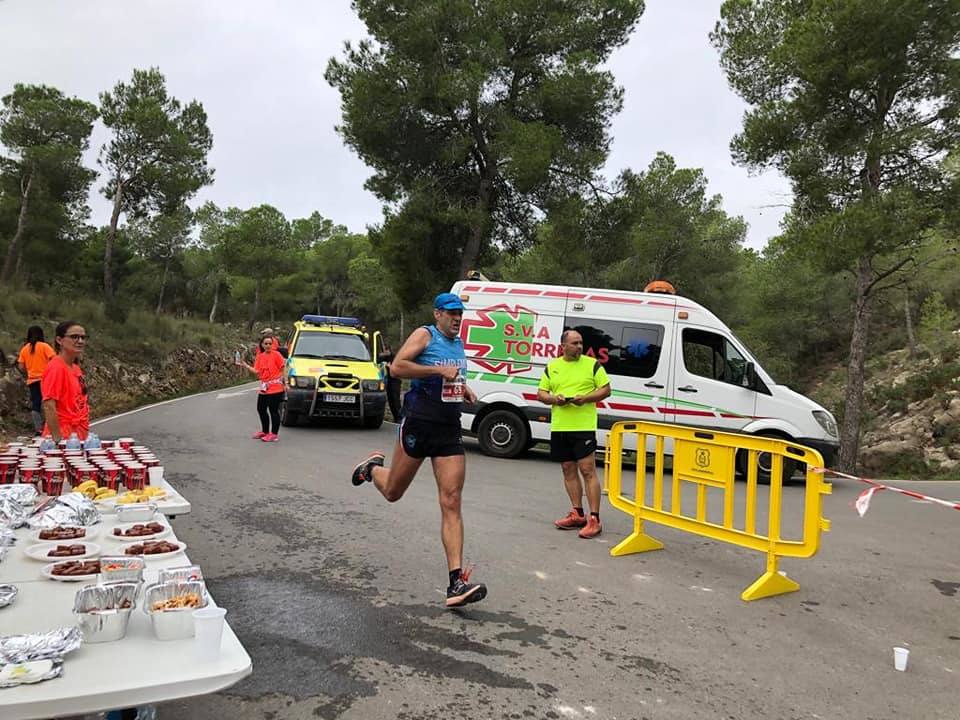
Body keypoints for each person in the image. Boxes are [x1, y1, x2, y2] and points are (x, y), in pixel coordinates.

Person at [350, 292, 487, 608]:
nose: (457, 319)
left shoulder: (457, 344)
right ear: (438, 314)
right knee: (394, 492)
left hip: (449, 428)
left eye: (460, 314)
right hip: (419, 423)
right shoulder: (426, 334)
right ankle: (372, 468)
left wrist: (461, 386)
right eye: (451, 313)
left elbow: (452, 374)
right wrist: (437, 372)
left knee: (451, 500)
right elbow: (398, 367)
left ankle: (456, 582)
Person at [537, 329, 611, 539]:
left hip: (583, 425)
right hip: (561, 426)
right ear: (563, 346)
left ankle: (594, 518)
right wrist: (554, 399)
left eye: (581, 343)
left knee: (587, 470)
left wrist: (586, 398)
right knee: (568, 469)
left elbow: (606, 390)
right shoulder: (552, 366)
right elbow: (541, 393)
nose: (579, 347)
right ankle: (577, 513)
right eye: (575, 343)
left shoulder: (592, 364)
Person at [41, 320, 90, 443]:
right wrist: (58, 441)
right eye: (74, 337)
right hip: (63, 436)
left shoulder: (75, 367)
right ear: (59, 340)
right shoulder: (56, 367)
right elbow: (49, 406)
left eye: (83, 337)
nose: (80, 341)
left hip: (78, 435)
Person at [238, 335, 285, 442]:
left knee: (273, 410)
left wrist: (285, 382)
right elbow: (257, 371)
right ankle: (265, 431)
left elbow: (283, 368)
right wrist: (245, 365)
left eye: (270, 343)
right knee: (261, 409)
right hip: (264, 387)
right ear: (262, 345)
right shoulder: (260, 356)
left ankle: (274, 434)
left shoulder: (276, 354)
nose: (268, 345)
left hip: (276, 387)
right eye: (266, 343)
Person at [17, 325, 56, 435]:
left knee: (36, 404)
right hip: (46, 380)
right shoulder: (44, 346)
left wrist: (30, 370)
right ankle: (50, 427)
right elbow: (54, 360)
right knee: (48, 403)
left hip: (32, 381)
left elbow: (21, 367)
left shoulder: (25, 349)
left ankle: (38, 429)